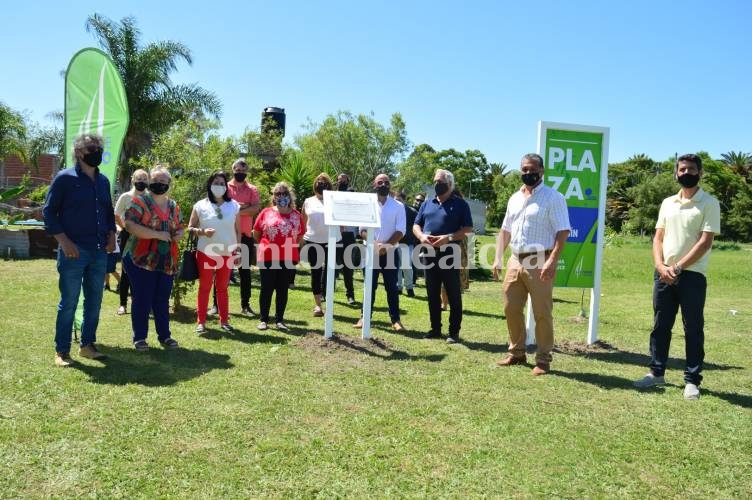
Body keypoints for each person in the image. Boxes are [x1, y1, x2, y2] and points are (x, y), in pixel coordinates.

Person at [633, 154, 720, 400]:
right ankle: (656, 372)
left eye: (691, 169)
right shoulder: (667, 202)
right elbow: (658, 237)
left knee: (692, 328)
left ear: (700, 173)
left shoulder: (709, 203)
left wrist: (678, 267)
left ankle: (692, 380)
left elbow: (705, 242)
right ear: (676, 173)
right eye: (682, 169)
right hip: (663, 274)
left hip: (691, 275)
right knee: (661, 326)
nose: (686, 173)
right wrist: (660, 265)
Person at [493, 153, 570, 375]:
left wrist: (552, 260)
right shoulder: (514, 198)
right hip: (515, 259)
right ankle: (517, 352)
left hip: (540, 259)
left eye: (532, 169)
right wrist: (498, 257)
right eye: (524, 169)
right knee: (511, 307)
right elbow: (505, 229)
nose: (528, 173)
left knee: (541, 312)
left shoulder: (553, 197)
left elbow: (563, 231)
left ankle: (543, 359)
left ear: (542, 171)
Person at [43, 133, 116, 366]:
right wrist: (64, 242)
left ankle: (87, 346)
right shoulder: (64, 179)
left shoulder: (103, 181)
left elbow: (107, 211)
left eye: (98, 148)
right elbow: (49, 212)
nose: (96, 152)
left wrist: (112, 235)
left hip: (98, 250)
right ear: (78, 152)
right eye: (90, 148)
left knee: (95, 301)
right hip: (73, 251)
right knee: (70, 302)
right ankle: (62, 351)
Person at [122, 165, 184, 351]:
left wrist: (179, 234)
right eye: (156, 181)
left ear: (169, 184)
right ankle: (140, 338)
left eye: (163, 181)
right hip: (141, 260)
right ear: (149, 182)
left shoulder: (174, 206)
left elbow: (180, 226)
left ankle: (164, 336)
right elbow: (130, 225)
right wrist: (157, 235)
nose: (159, 184)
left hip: (166, 261)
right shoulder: (139, 202)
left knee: (162, 299)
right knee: (142, 298)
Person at [413, 169, 473, 343]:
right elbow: (416, 225)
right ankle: (435, 329)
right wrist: (421, 236)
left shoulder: (461, 204)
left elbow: (467, 229)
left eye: (440, 182)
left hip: (450, 254)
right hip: (429, 253)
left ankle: (453, 332)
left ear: (450, 184)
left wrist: (449, 238)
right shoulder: (427, 203)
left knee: (453, 293)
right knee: (432, 293)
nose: (437, 184)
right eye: (435, 181)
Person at [188, 171, 241, 334]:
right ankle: (201, 322)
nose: (219, 186)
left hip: (227, 252)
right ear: (210, 185)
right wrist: (202, 232)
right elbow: (190, 228)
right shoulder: (200, 205)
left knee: (222, 287)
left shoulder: (234, 205)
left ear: (226, 186)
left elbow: (238, 231)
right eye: (216, 183)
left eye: (222, 183)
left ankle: (224, 321)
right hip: (206, 252)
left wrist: (238, 250)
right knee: (205, 287)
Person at [354, 174, 406, 332]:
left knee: (392, 287)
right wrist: (374, 243)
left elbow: (401, 230)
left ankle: (396, 320)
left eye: (386, 182)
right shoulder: (367, 204)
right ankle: (364, 317)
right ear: (374, 184)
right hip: (370, 251)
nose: (383, 184)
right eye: (380, 182)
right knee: (369, 286)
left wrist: (386, 246)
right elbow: (361, 229)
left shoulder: (398, 206)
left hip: (390, 252)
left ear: (390, 185)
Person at [253, 182, 304, 331]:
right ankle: (263, 320)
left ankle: (279, 320)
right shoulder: (266, 212)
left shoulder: (296, 215)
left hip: (287, 256)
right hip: (268, 255)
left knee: (282, 288)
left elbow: (300, 236)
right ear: (274, 197)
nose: (281, 196)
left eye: (284, 193)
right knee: (267, 288)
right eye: (278, 194)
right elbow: (256, 233)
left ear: (290, 196)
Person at [301, 173, 341, 317]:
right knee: (316, 272)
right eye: (318, 181)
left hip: (332, 240)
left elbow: (341, 222)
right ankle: (318, 306)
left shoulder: (334, 200)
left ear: (329, 184)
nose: (321, 183)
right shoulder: (308, 201)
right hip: (313, 240)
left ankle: (328, 301)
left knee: (331, 272)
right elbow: (303, 220)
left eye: (324, 181)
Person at [226, 158, 260, 316]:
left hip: (245, 235)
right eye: (237, 170)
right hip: (226, 234)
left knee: (244, 272)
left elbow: (255, 209)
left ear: (246, 172)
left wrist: (235, 208)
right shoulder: (225, 187)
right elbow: (221, 206)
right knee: (221, 270)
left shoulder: (252, 189)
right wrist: (243, 206)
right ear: (233, 170)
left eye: (243, 171)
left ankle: (245, 305)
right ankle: (216, 304)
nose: (240, 173)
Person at [114, 169, 149, 315]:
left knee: (143, 270)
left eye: (144, 179)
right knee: (127, 270)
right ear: (132, 179)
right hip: (127, 237)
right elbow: (116, 214)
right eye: (138, 178)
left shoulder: (149, 197)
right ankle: (123, 304)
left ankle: (138, 301)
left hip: (145, 238)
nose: (141, 181)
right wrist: (124, 228)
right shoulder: (125, 196)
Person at [334, 173, 357, 304]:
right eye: (339, 180)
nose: (342, 181)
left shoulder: (352, 196)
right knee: (329, 265)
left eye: (344, 179)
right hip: (334, 234)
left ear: (348, 181)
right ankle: (325, 293)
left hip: (348, 235)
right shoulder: (332, 196)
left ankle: (350, 295)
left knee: (348, 267)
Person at [396, 192, 417, 297]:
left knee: (406, 266)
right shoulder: (393, 211)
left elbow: (417, 228)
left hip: (407, 243)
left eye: (398, 199)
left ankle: (409, 287)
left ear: (404, 200)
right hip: (393, 243)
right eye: (395, 200)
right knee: (396, 267)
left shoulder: (412, 212)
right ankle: (398, 287)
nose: (397, 202)